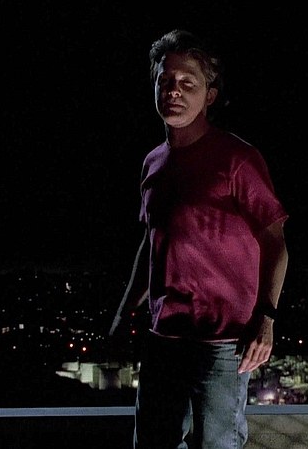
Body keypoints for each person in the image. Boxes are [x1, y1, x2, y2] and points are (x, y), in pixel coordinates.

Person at [108, 29, 289, 449]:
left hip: (223, 341)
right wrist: (123, 315)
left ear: (210, 95)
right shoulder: (153, 163)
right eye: (165, 80)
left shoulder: (237, 159)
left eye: (188, 82)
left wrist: (266, 319)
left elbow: (275, 241)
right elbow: (152, 244)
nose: (174, 90)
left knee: (216, 443)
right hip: (164, 337)